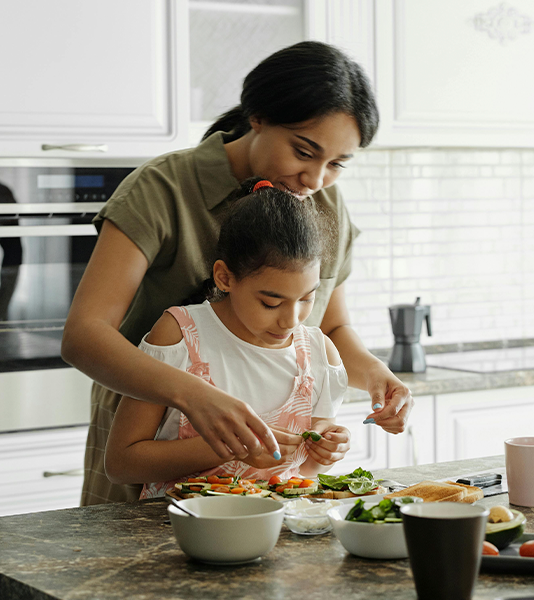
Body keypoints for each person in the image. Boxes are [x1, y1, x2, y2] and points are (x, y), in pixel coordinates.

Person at [62, 41, 414, 504]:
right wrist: (195, 396)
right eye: (304, 151)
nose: (316, 179)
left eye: (336, 165)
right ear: (259, 117)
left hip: (264, 484)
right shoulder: (162, 188)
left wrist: (374, 375)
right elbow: (84, 335)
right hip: (151, 435)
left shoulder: (323, 202)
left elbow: (328, 325)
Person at [105, 179, 350, 497]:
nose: (291, 320)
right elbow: (121, 464)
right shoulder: (180, 337)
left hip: (278, 533)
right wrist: (229, 447)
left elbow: (304, 472)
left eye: (307, 298)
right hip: (177, 533)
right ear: (225, 277)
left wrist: (325, 453)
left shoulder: (319, 354)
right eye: (271, 302)